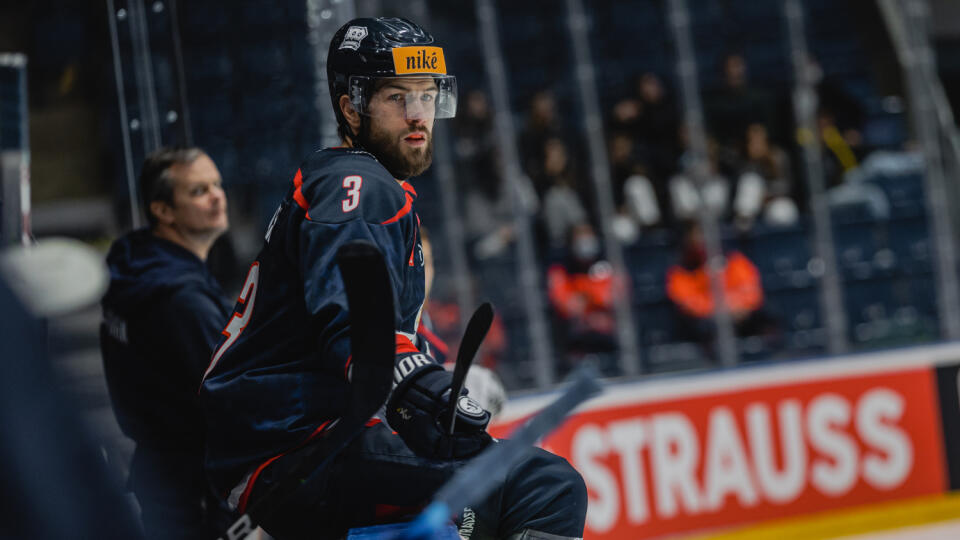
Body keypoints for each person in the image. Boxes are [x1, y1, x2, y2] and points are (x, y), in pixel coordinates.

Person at [200, 17, 586, 540]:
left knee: (479, 501)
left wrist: (432, 378)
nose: (417, 114)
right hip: (295, 456)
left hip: (283, 450)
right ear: (350, 108)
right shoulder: (358, 184)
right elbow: (348, 318)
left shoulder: (339, 180)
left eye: (427, 97)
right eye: (396, 97)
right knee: (545, 487)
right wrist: (420, 385)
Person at [99, 147, 232, 540]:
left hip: (163, 479)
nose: (217, 196)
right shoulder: (180, 301)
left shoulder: (136, 268)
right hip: (199, 493)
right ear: (163, 211)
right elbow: (233, 398)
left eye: (217, 184)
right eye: (199, 191)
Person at [665, 221, 779, 350]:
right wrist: (721, 308)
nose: (704, 239)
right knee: (702, 327)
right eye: (698, 234)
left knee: (767, 314)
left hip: (740, 316)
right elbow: (688, 302)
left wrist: (736, 305)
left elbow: (751, 290)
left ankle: (772, 355)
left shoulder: (734, 259)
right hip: (708, 322)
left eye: (707, 233)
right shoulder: (682, 268)